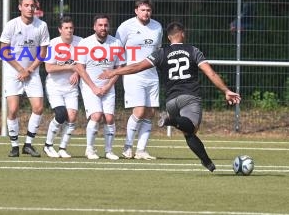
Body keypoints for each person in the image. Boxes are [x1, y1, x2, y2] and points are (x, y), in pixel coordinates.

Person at [100, 22, 241, 171]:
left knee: (188, 133)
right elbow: (210, 73)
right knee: (191, 128)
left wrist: (114, 72)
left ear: (168, 37)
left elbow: (136, 66)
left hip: (171, 101)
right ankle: (170, 120)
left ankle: (207, 162)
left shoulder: (161, 52)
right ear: (183, 34)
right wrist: (226, 90)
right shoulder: (193, 50)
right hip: (190, 96)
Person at [0, 0, 50, 157]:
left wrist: (29, 70)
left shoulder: (41, 25)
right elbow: (4, 51)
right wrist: (20, 69)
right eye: (26, 5)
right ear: (20, 7)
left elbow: (43, 52)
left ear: (36, 8)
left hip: (32, 72)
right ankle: (14, 146)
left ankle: (28, 144)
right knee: (13, 109)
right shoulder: (11, 25)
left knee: (38, 107)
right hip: (13, 72)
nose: (30, 8)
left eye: (32, 6)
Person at [115, 0, 163, 160]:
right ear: (136, 11)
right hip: (133, 75)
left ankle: (141, 150)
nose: (146, 13)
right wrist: (120, 69)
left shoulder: (157, 27)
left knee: (150, 112)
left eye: (148, 10)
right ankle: (127, 146)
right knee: (140, 110)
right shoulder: (126, 27)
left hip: (152, 75)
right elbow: (117, 48)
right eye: (142, 10)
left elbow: (158, 50)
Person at [74, 14, 124, 160]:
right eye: (100, 25)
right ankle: (89, 149)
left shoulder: (116, 43)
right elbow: (80, 68)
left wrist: (108, 86)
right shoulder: (85, 43)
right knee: (96, 115)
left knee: (109, 118)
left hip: (108, 87)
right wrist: (94, 87)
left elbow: (119, 68)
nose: (103, 28)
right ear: (94, 27)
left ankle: (108, 151)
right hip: (90, 87)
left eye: (106, 25)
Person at [42, 16, 81, 158]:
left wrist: (77, 72)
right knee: (60, 114)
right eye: (66, 28)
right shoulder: (53, 44)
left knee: (72, 116)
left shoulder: (80, 43)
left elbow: (84, 64)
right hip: (55, 87)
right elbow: (49, 68)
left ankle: (63, 148)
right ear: (60, 30)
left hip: (71, 88)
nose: (69, 30)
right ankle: (48, 145)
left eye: (71, 27)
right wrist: (70, 66)